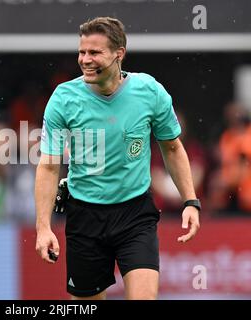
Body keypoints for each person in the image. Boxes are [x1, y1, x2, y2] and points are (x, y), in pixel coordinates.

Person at [35, 17, 201, 300]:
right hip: (84, 216)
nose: (85, 60)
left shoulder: (149, 92)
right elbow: (49, 166)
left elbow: (172, 148)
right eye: (82, 52)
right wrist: (43, 227)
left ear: (119, 54)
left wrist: (190, 201)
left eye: (94, 53)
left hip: (135, 215)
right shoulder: (63, 98)